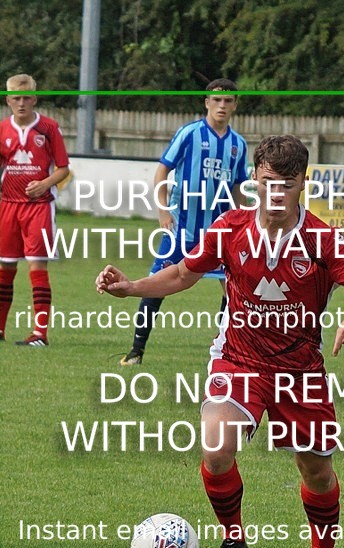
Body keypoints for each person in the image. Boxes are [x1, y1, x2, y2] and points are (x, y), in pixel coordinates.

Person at [96, 135, 344, 548]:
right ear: (255, 178)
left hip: (300, 370)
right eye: (269, 182)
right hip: (237, 361)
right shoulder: (231, 228)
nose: (276, 194)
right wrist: (131, 287)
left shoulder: (321, 239)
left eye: (287, 185)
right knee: (216, 448)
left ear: (303, 184)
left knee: (316, 470)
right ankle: (233, 541)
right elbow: (181, 274)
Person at [118, 78, 249, 366]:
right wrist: (163, 211)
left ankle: (226, 349)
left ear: (235, 105)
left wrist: (245, 220)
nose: (222, 105)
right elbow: (163, 169)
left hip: (221, 232)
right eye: (217, 100)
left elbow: (239, 186)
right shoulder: (189, 134)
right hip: (183, 230)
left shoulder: (239, 145)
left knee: (233, 290)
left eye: (228, 101)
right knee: (156, 285)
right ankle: (136, 351)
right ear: (206, 102)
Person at [0, 73, 70, 346]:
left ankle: (39, 335)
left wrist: (44, 184)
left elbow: (64, 169)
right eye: (16, 98)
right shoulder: (0, 130)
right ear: (8, 100)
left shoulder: (49, 128)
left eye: (26, 98)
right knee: (5, 269)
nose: (21, 103)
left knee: (36, 267)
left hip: (39, 208)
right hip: (8, 207)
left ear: (34, 99)